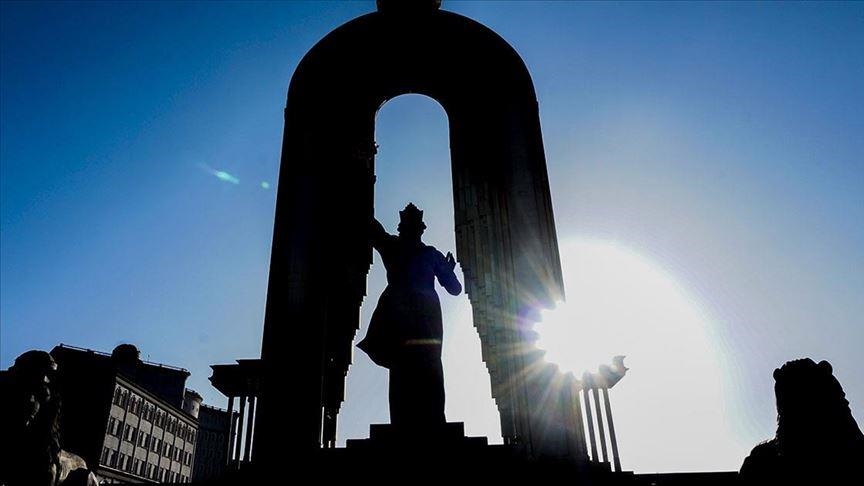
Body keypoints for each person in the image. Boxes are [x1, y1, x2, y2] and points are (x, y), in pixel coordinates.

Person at [357, 203, 462, 428]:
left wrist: (447, 272)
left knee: (418, 367)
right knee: (410, 367)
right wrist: (447, 272)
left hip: (416, 316)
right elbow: (454, 288)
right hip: (410, 315)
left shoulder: (415, 251)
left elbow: (455, 289)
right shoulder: (417, 251)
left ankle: (425, 419)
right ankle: (417, 420)